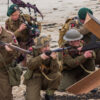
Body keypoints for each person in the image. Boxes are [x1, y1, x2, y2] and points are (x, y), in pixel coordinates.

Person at [24, 35, 61, 100]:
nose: (47, 48)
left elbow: (55, 70)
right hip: (34, 79)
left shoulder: (51, 53)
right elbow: (30, 66)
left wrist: (54, 60)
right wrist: (41, 57)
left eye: (48, 46)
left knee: (57, 75)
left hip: (45, 78)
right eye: (44, 47)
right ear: (39, 48)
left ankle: (49, 93)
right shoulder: (31, 52)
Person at [0, 26, 19, 100]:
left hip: (4, 70)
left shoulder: (10, 36)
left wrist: (11, 50)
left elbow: (18, 54)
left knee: (5, 95)